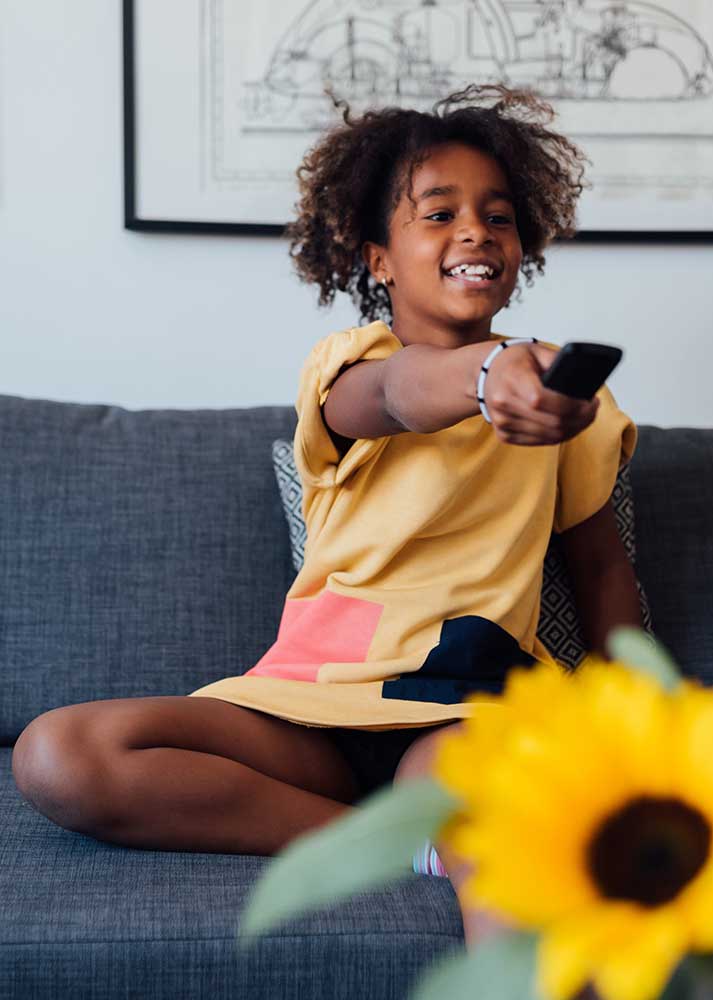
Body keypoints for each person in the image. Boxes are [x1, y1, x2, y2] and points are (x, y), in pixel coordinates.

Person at [11, 83, 641, 963]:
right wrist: (487, 372)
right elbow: (394, 397)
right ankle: (389, 843)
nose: (475, 230)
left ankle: (456, 861)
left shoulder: (571, 400)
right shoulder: (350, 368)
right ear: (379, 258)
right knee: (58, 753)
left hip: (468, 712)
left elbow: (605, 574)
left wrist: (641, 722)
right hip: (307, 712)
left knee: (503, 842)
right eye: (440, 212)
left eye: (498, 216)